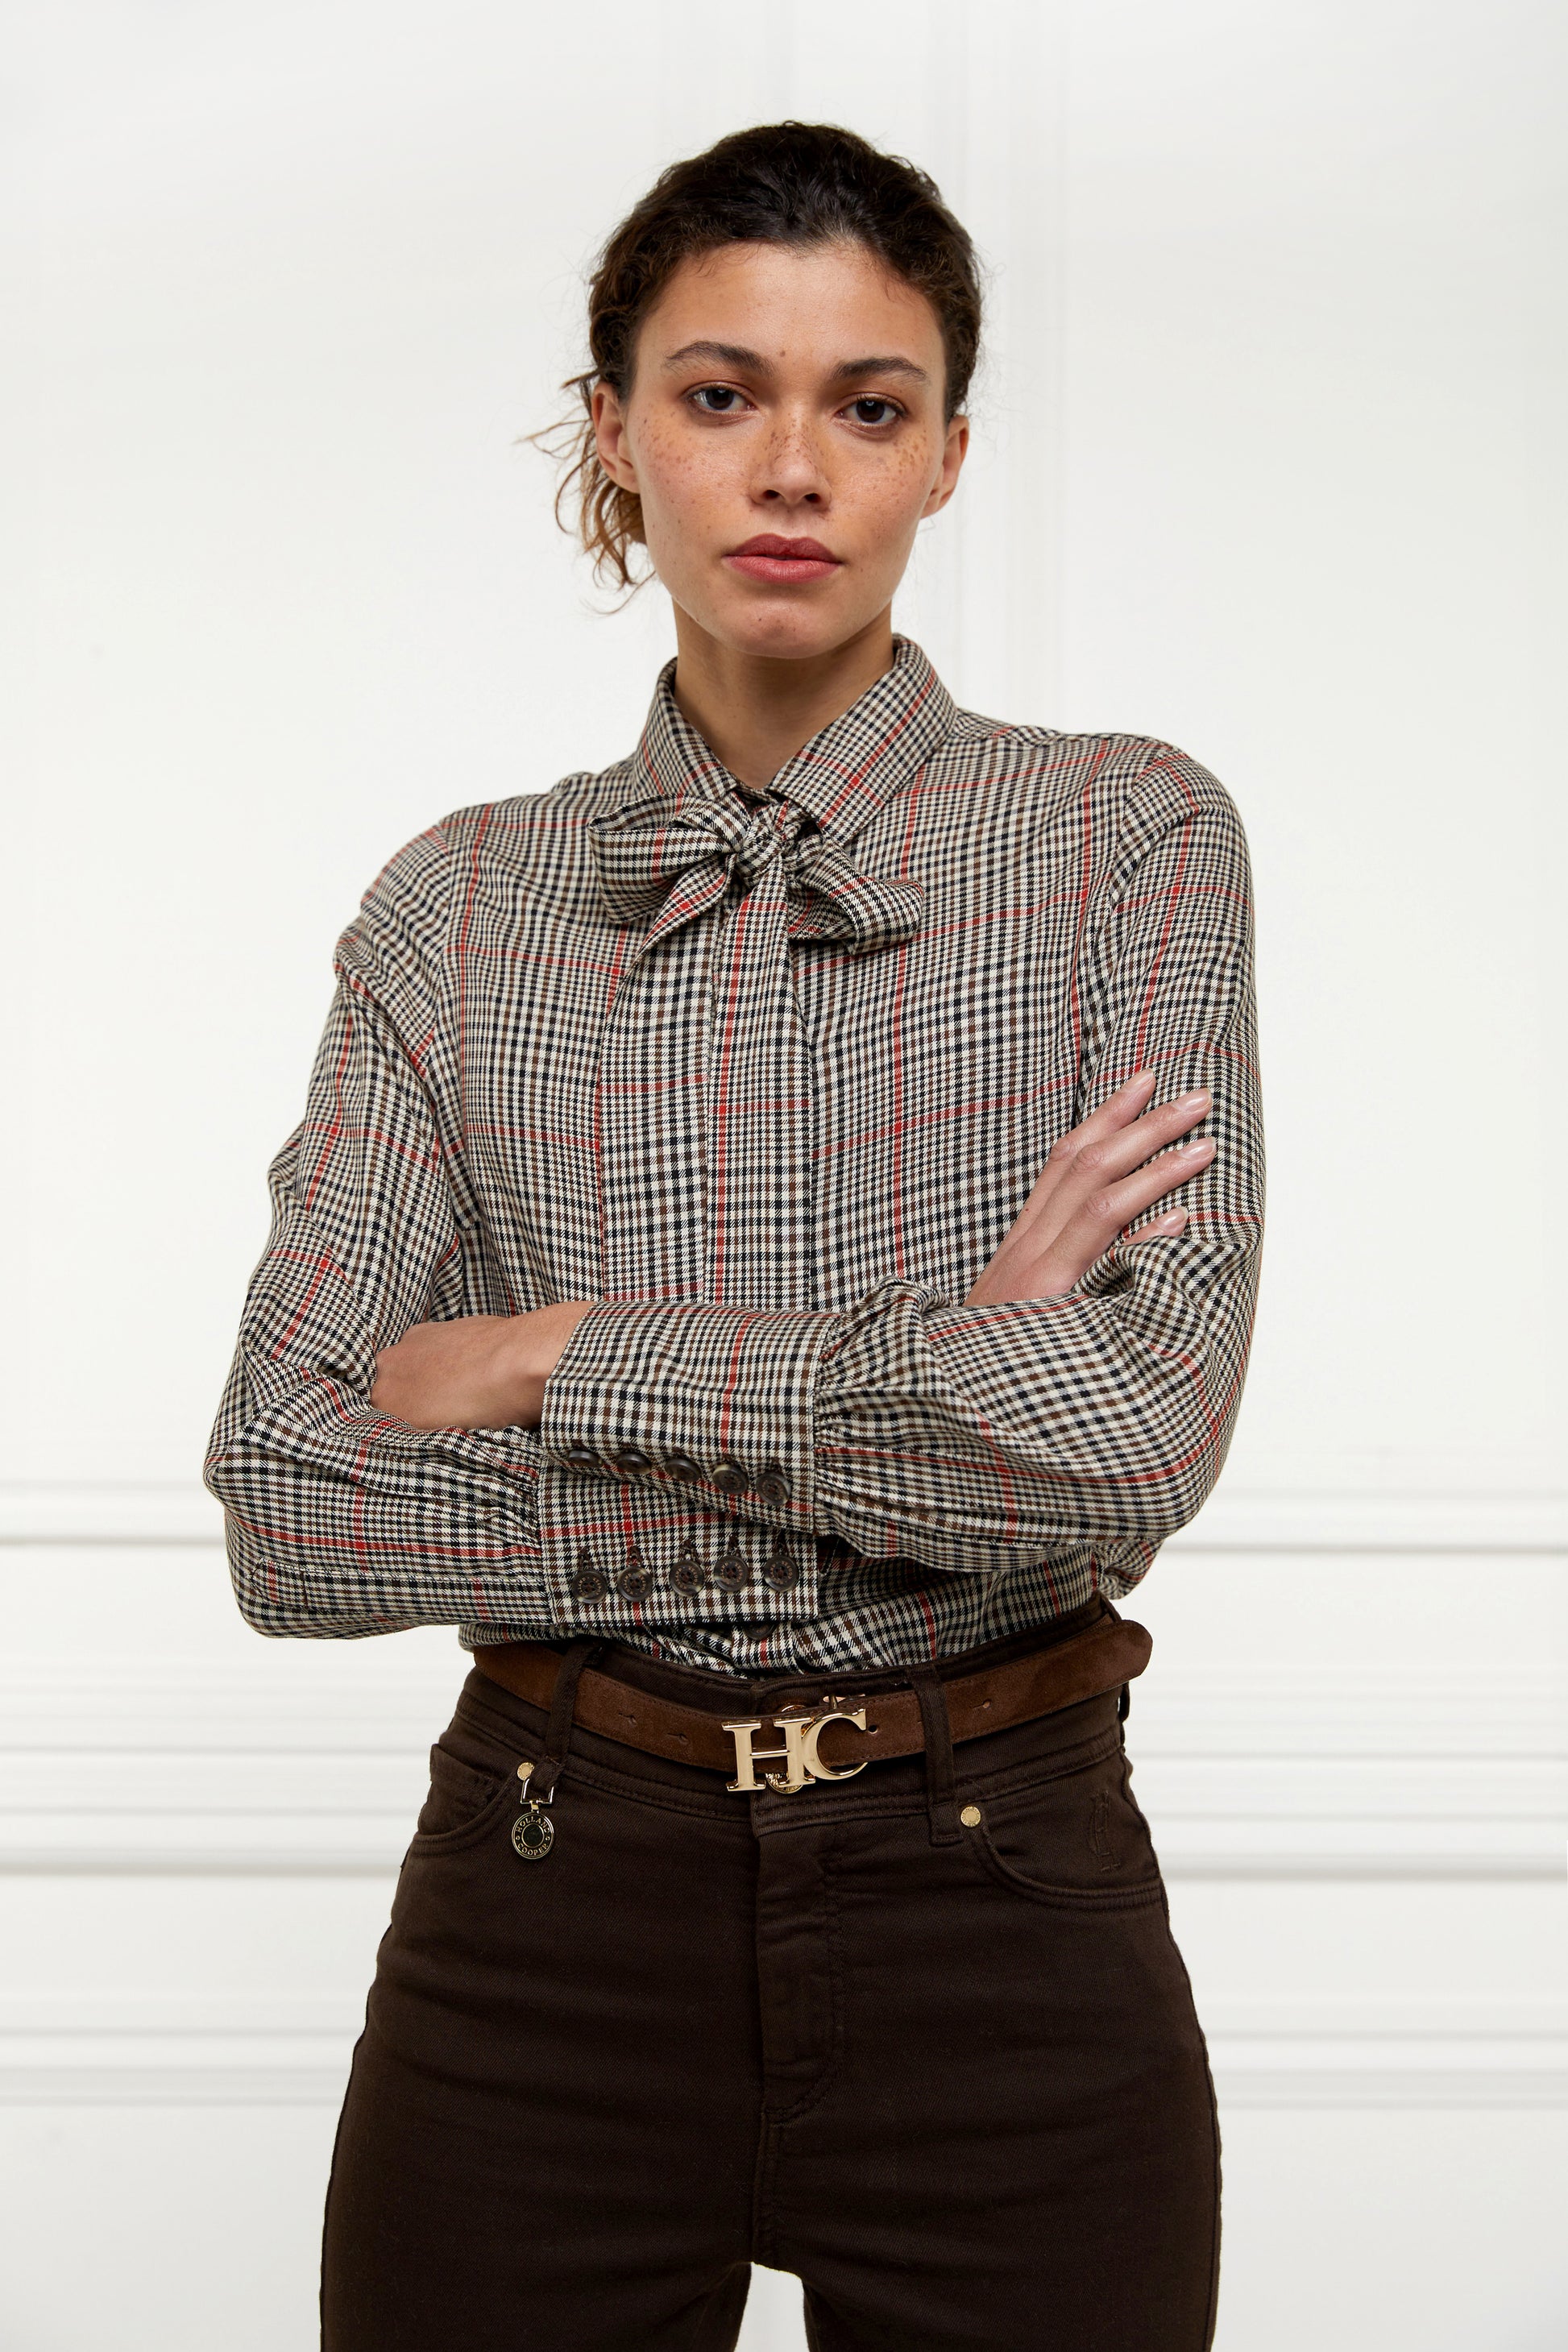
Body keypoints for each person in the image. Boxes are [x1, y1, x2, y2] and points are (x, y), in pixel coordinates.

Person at [205, 119, 1263, 2352]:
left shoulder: (1126, 843)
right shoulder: (457, 908)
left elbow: (1132, 1443)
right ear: (616, 429)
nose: (792, 466)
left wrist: (558, 1352)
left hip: (1005, 1907)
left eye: (867, 405)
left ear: (946, 454)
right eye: (719, 394)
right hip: (546, 1909)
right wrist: (941, 1382)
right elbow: (294, 1508)